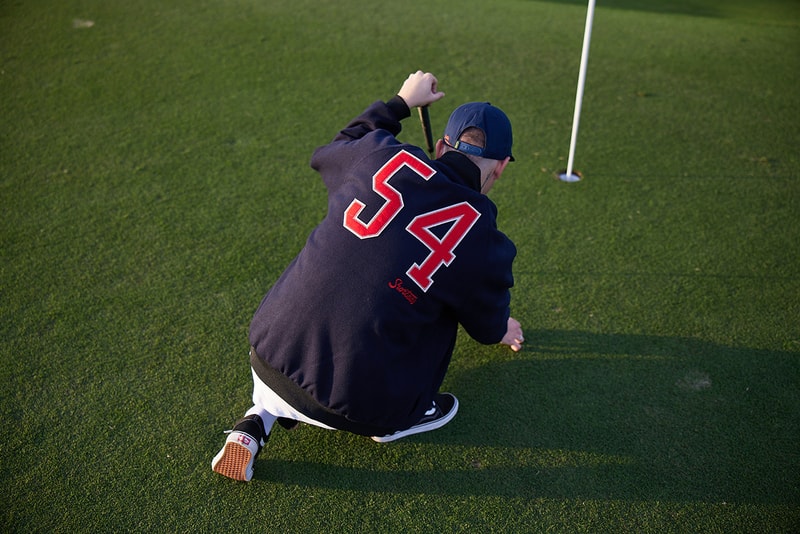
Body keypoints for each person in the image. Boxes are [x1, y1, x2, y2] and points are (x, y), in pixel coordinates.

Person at [212, 71, 524, 482]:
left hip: (268, 352)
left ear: (443, 145)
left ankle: (256, 422)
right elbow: (485, 326)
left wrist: (400, 102)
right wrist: (501, 328)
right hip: (361, 408)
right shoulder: (483, 234)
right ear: (500, 168)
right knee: (435, 297)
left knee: (343, 271)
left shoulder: (378, 154)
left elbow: (336, 145)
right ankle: (403, 416)